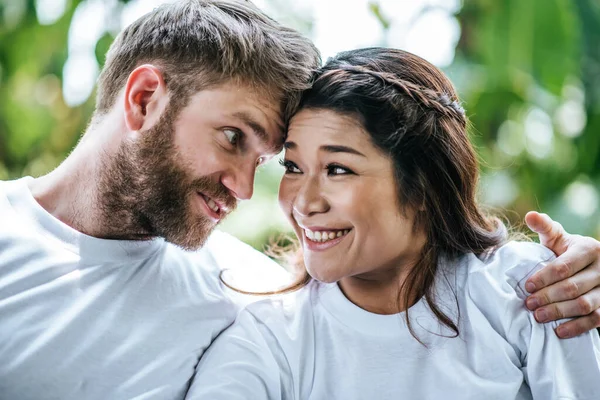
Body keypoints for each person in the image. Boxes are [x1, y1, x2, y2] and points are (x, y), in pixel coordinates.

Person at [0, 1, 597, 398]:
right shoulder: (265, 319)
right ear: (145, 98)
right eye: (233, 137)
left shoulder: (244, 290)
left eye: (263, 161)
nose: (243, 188)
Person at [188, 48, 600, 399]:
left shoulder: (530, 292)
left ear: (421, 186)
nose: (305, 202)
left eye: (338, 169)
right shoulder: (269, 338)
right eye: (293, 165)